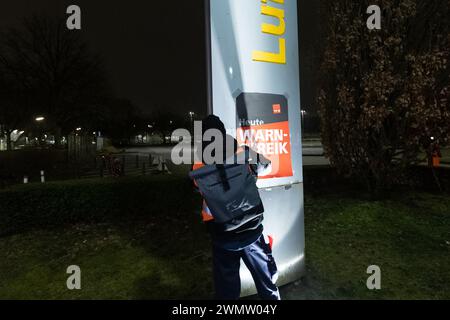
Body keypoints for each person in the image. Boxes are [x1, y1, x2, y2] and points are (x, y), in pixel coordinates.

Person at [190, 115, 280, 300]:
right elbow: (267, 166)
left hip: (222, 234)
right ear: (223, 132)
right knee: (266, 282)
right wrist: (252, 173)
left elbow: (200, 189)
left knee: (227, 290)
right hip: (252, 229)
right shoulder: (243, 152)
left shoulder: (198, 165)